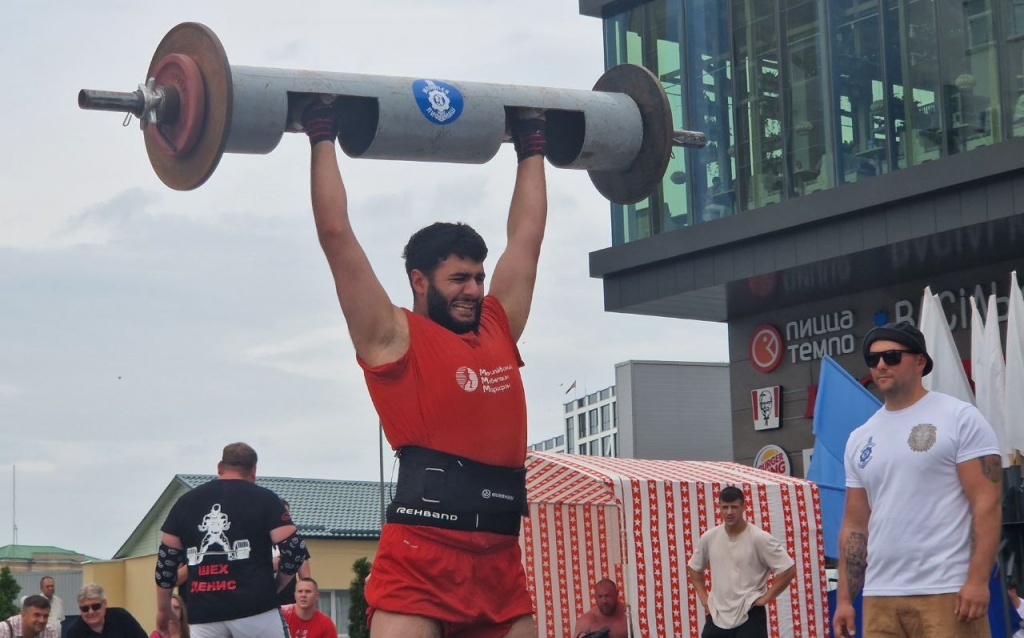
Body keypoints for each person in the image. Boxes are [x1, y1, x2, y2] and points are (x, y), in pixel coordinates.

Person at [302, 94, 548, 638]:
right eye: (459, 278)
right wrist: (320, 130)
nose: (474, 290)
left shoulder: (497, 328)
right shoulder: (391, 335)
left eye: (479, 277)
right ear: (419, 280)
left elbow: (526, 242)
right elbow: (336, 236)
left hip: (500, 564)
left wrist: (532, 143)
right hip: (421, 558)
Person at [834, 322, 1001, 638]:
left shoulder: (959, 417)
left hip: (947, 589)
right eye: (873, 359)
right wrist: (844, 599)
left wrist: (978, 581)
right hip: (880, 594)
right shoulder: (859, 437)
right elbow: (855, 525)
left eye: (893, 356)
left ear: (920, 361)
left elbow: (987, 504)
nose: (881, 365)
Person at [154, 443, 307, 638]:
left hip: (204, 614)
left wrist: (163, 608)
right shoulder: (266, 500)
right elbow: (295, 550)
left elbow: (165, 563)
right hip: (255, 609)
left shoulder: (186, 502)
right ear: (253, 471)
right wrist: (277, 584)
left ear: (219, 467)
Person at [686, 486, 796, 637]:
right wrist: (704, 597)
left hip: (749, 613)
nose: (729, 512)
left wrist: (765, 598)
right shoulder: (709, 537)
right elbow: (694, 568)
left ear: (744, 507)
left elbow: (788, 569)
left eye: (734, 507)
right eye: (725, 507)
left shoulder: (759, 538)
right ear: (719, 507)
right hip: (718, 614)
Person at [67, 584, 146, 638]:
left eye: (95, 606)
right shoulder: (74, 632)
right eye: (85, 608)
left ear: (104, 604)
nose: (90, 612)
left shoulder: (122, 618)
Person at [274, 499, 312, 605]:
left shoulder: (296, 543)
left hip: (289, 603)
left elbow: (306, 578)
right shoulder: (257, 541)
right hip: (263, 603)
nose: (285, 519)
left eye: (287, 515)